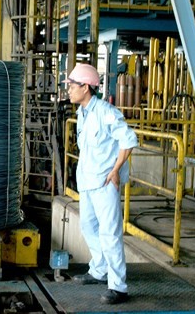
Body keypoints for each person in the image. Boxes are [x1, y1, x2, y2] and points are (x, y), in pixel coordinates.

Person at [63, 64, 138, 305]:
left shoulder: (106, 112)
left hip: (105, 182)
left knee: (110, 234)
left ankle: (118, 286)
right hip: (87, 181)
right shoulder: (83, 113)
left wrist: (116, 170)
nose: (69, 91)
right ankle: (99, 269)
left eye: (72, 86)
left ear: (86, 87)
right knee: (87, 226)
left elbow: (128, 140)